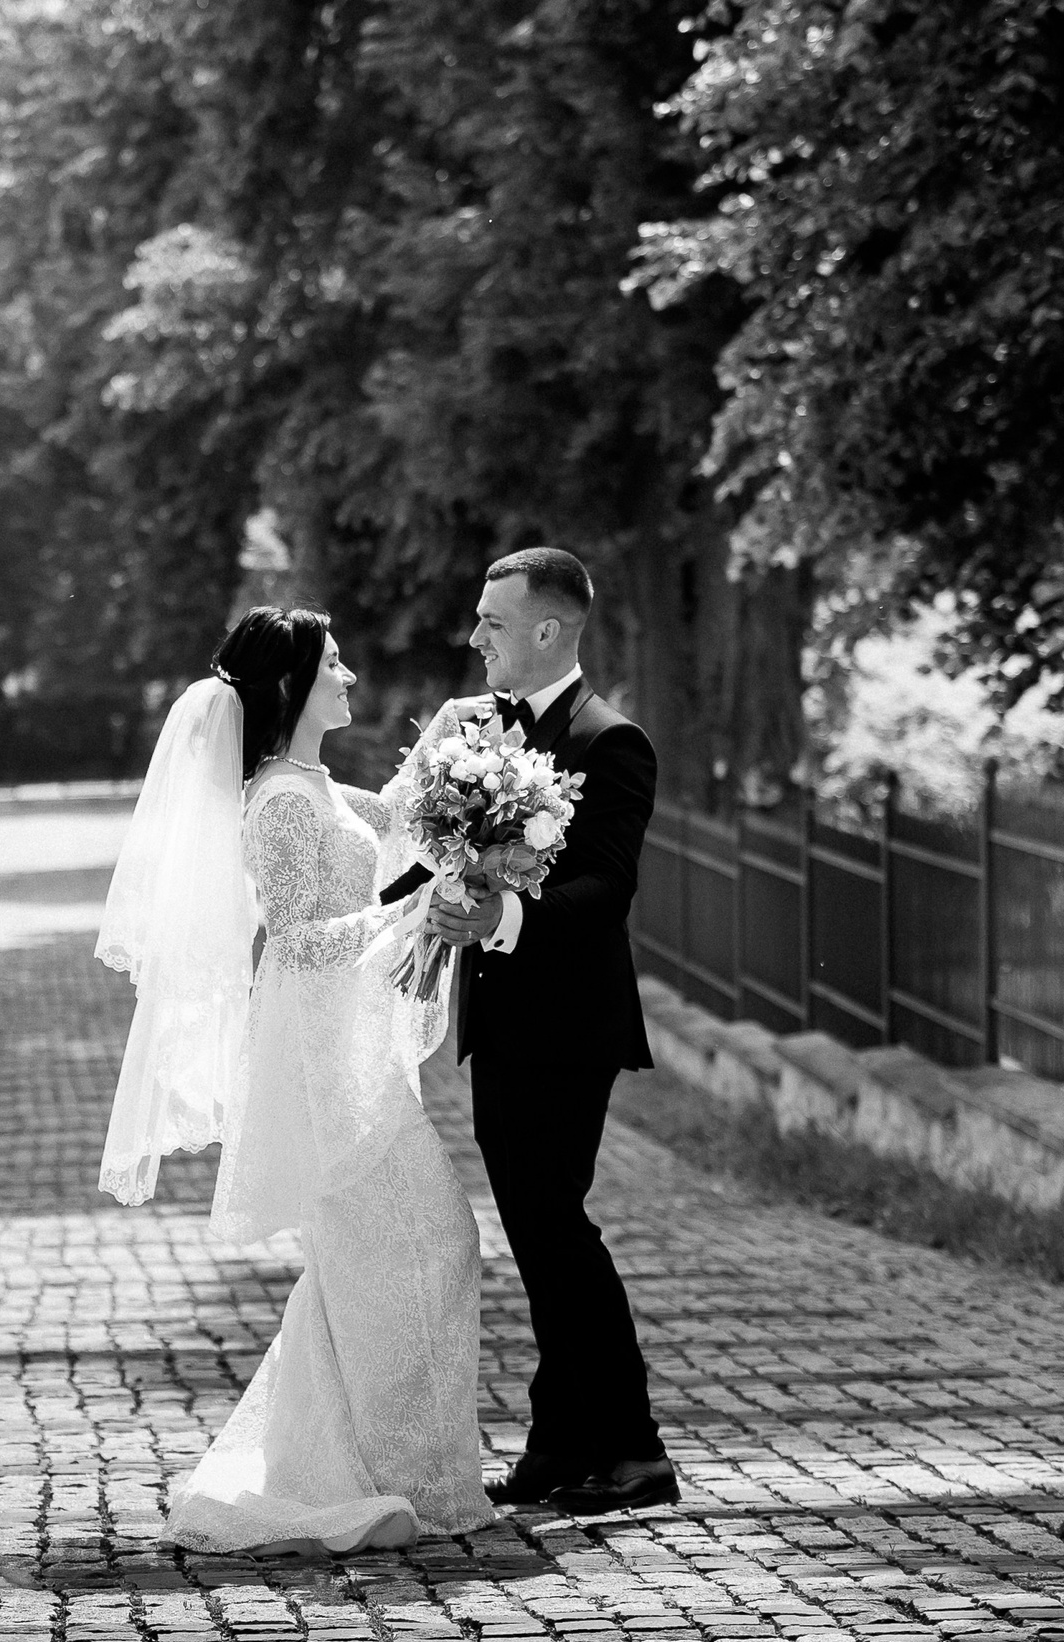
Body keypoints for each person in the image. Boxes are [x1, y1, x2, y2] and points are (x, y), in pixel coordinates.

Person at [94, 605, 495, 1556]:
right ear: (290, 686)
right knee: (425, 1239)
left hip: (349, 1046)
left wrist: (449, 731)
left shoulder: (307, 780)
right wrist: (410, 917)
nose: (351, 675)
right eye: (334, 663)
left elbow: (392, 819)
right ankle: (392, 1472)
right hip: (318, 1057)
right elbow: (298, 936)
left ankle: (373, 1463)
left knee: (384, 1254)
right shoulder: (276, 799)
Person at [387, 546, 677, 1518]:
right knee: (539, 1233)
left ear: (549, 630)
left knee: (556, 1230)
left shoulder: (611, 742)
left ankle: (633, 1449)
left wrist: (503, 922)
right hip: (504, 1027)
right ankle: (559, 1443)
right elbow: (426, 854)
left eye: (493, 622)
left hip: (573, 1025)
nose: (475, 638)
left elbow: (604, 889)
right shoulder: (477, 733)